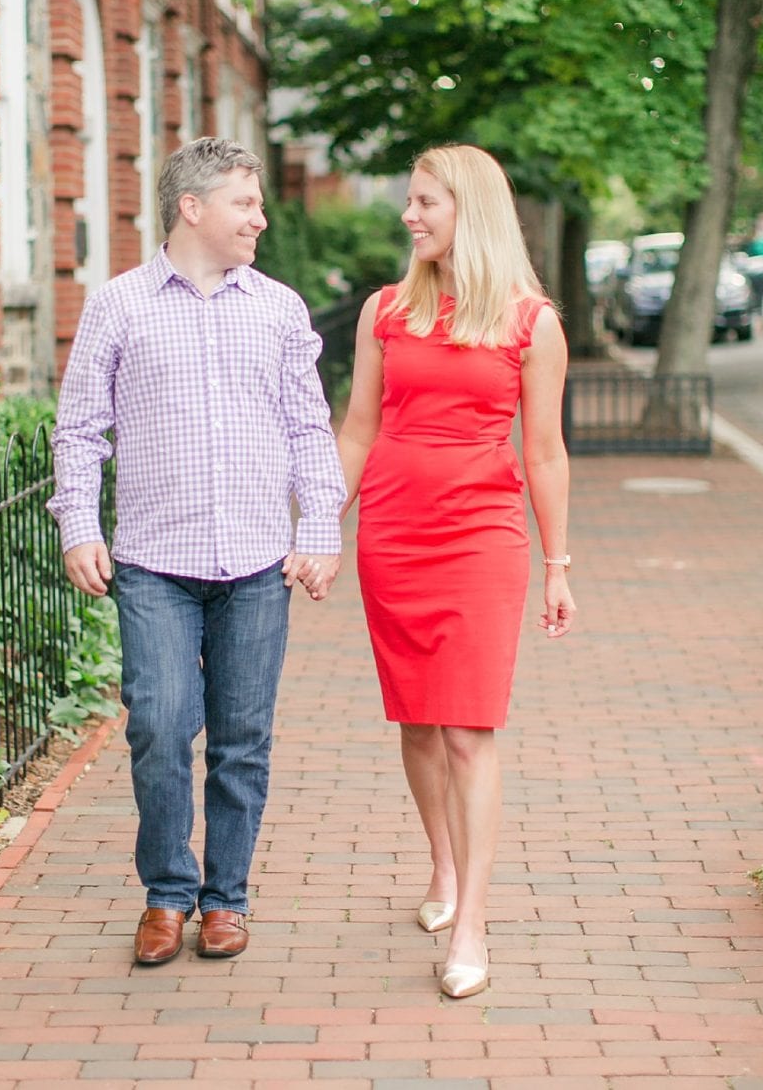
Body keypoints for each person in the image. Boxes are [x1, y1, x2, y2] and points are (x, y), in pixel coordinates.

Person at [50, 137, 346, 965]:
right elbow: (78, 430)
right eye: (245, 203)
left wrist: (319, 528)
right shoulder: (118, 305)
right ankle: (167, 892)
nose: (260, 217)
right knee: (159, 726)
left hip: (256, 563)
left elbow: (305, 427)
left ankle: (225, 899)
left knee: (242, 738)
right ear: (193, 208)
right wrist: (80, 524)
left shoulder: (279, 309)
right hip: (152, 565)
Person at [335, 143, 574, 1000]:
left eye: (426, 202)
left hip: (480, 539)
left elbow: (544, 453)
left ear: (466, 211)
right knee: (417, 721)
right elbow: (358, 429)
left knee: (470, 728)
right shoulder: (385, 312)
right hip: (391, 535)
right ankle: (441, 866)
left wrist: (558, 563)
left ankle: (471, 919)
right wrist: (319, 527)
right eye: (409, 201)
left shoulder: (529, 322)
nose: (410, 215)